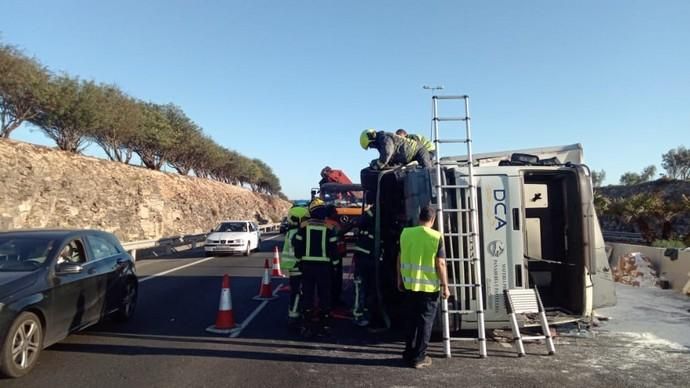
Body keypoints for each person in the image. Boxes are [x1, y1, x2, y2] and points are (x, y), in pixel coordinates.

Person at [397, 205, 450, 369]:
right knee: (425, 323)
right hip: (428, 287)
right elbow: (440, 263)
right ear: (433, 220)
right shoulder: (436, 236)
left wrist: (398, 279)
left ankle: (408, 353)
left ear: (419, 217)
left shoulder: (406, 233)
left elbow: (399, 257)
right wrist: (445, 286)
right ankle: (419, 357)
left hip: (409, 284)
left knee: (410, 320)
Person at [292, 198, 339, 336]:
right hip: (324, 268)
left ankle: (307, 324)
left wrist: (299, 260)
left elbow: (297, 245)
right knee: (324, 295)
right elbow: (334, 250)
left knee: (307, 294)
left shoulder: (304, 226)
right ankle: (325, 324)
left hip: (307, 267)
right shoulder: (329, 228)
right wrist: (335, 266)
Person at [350, 205, 379, 328]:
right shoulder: (374, 216)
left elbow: (360, 222)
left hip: (365, 258)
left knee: (362, 287)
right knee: (363, 287)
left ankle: (362, 313)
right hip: (367, 259)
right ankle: (359, 315)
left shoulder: (370, 216)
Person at [281, 205, 310, 329]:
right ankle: (296, 315)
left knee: (295, 292)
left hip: (292, 267)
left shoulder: (290, 232)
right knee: (300, 292)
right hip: (299, 266)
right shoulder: (299, 232)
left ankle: (293, 314)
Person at [359, 129, 432, 169]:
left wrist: (378, 165)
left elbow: (387, 152)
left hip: (419, 151)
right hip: (409, 157)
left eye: (370, 145)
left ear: (371, 138)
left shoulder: (384, 138)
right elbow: (388, 159)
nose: (372, 147)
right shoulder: (380, 144)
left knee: (427, 172)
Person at [324, 205, 346, 310]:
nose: (337, 213)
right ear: (331, 213)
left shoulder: (325, 223)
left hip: (330, 255)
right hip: (336, 256)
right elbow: (339, 236)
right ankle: (335, 301)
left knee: (329, 280)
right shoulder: (333, 224)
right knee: (336, 280)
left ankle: (329, 301)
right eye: (335, 212)